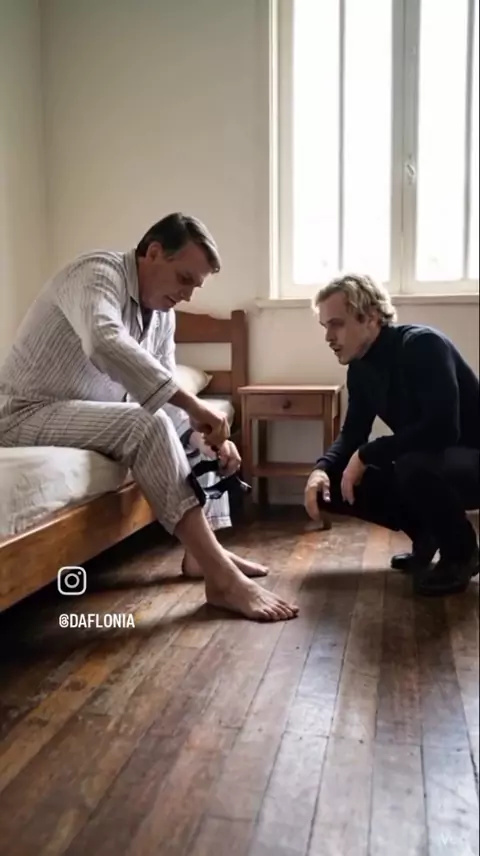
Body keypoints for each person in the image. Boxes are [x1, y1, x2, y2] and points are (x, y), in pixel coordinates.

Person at [0, 213, 298, 622]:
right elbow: (105, 342)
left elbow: (165, 397)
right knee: (147, 424)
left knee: (189, 426)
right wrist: (194, 406)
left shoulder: (162, 315)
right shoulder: (95, 274)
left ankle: (200, 556)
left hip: (78, 414)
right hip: (23, 414)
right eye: (184, 279)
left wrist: (204, 435)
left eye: (195, 286)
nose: (187, 295)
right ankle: (222, 579)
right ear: (154, 252)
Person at [304, 273, 479, 596]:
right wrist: (321, 469)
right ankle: (426, 533)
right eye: (325, 326)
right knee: (331, 483)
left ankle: (461, 552)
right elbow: (353, 433)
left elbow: (443, 428)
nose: (328, 336)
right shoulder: (359, 368)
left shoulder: (423, 345)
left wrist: (366, 454)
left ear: (370, 318)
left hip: (471, 459)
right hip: (434, 461)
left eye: (337, 324)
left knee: (412, 463)